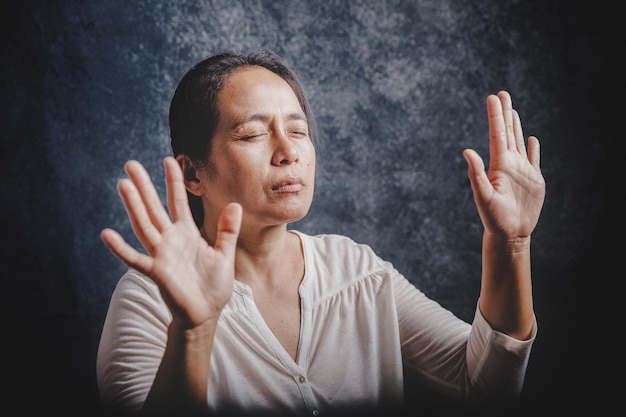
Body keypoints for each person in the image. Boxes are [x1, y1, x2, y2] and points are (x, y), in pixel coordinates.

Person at [96, 49, 545, 417]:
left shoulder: (357, 270)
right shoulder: (149, 301)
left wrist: (511, 243)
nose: (288, 151)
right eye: (252, 135)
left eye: (298, 130)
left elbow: (484, 386)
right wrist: (192, 332)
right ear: (192, 173)